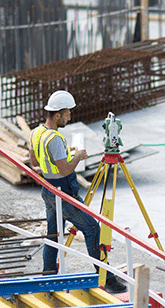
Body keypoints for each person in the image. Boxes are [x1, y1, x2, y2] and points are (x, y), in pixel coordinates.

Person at [29, 90, 126, 293]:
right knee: (92, 229)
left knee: (53, 234)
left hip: (48, 190)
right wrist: (77, 157)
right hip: (64, 193)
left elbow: (35, 161)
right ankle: (106, 279)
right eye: (67, 114)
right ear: (57, 115)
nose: (70, 117)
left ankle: (48, 274)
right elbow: (64, 169)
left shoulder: (37, 132)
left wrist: (62, 156)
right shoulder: (54, 139)